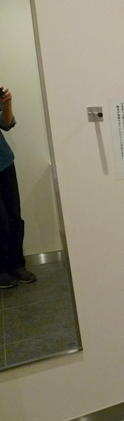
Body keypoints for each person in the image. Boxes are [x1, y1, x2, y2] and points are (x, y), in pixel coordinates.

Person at [0, 85, 36, 288]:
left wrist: (7, 103)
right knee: (1, 222)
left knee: (14, 218)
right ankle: (1, 270)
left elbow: (6, 124)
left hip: (4, 162)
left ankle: (16, 265)